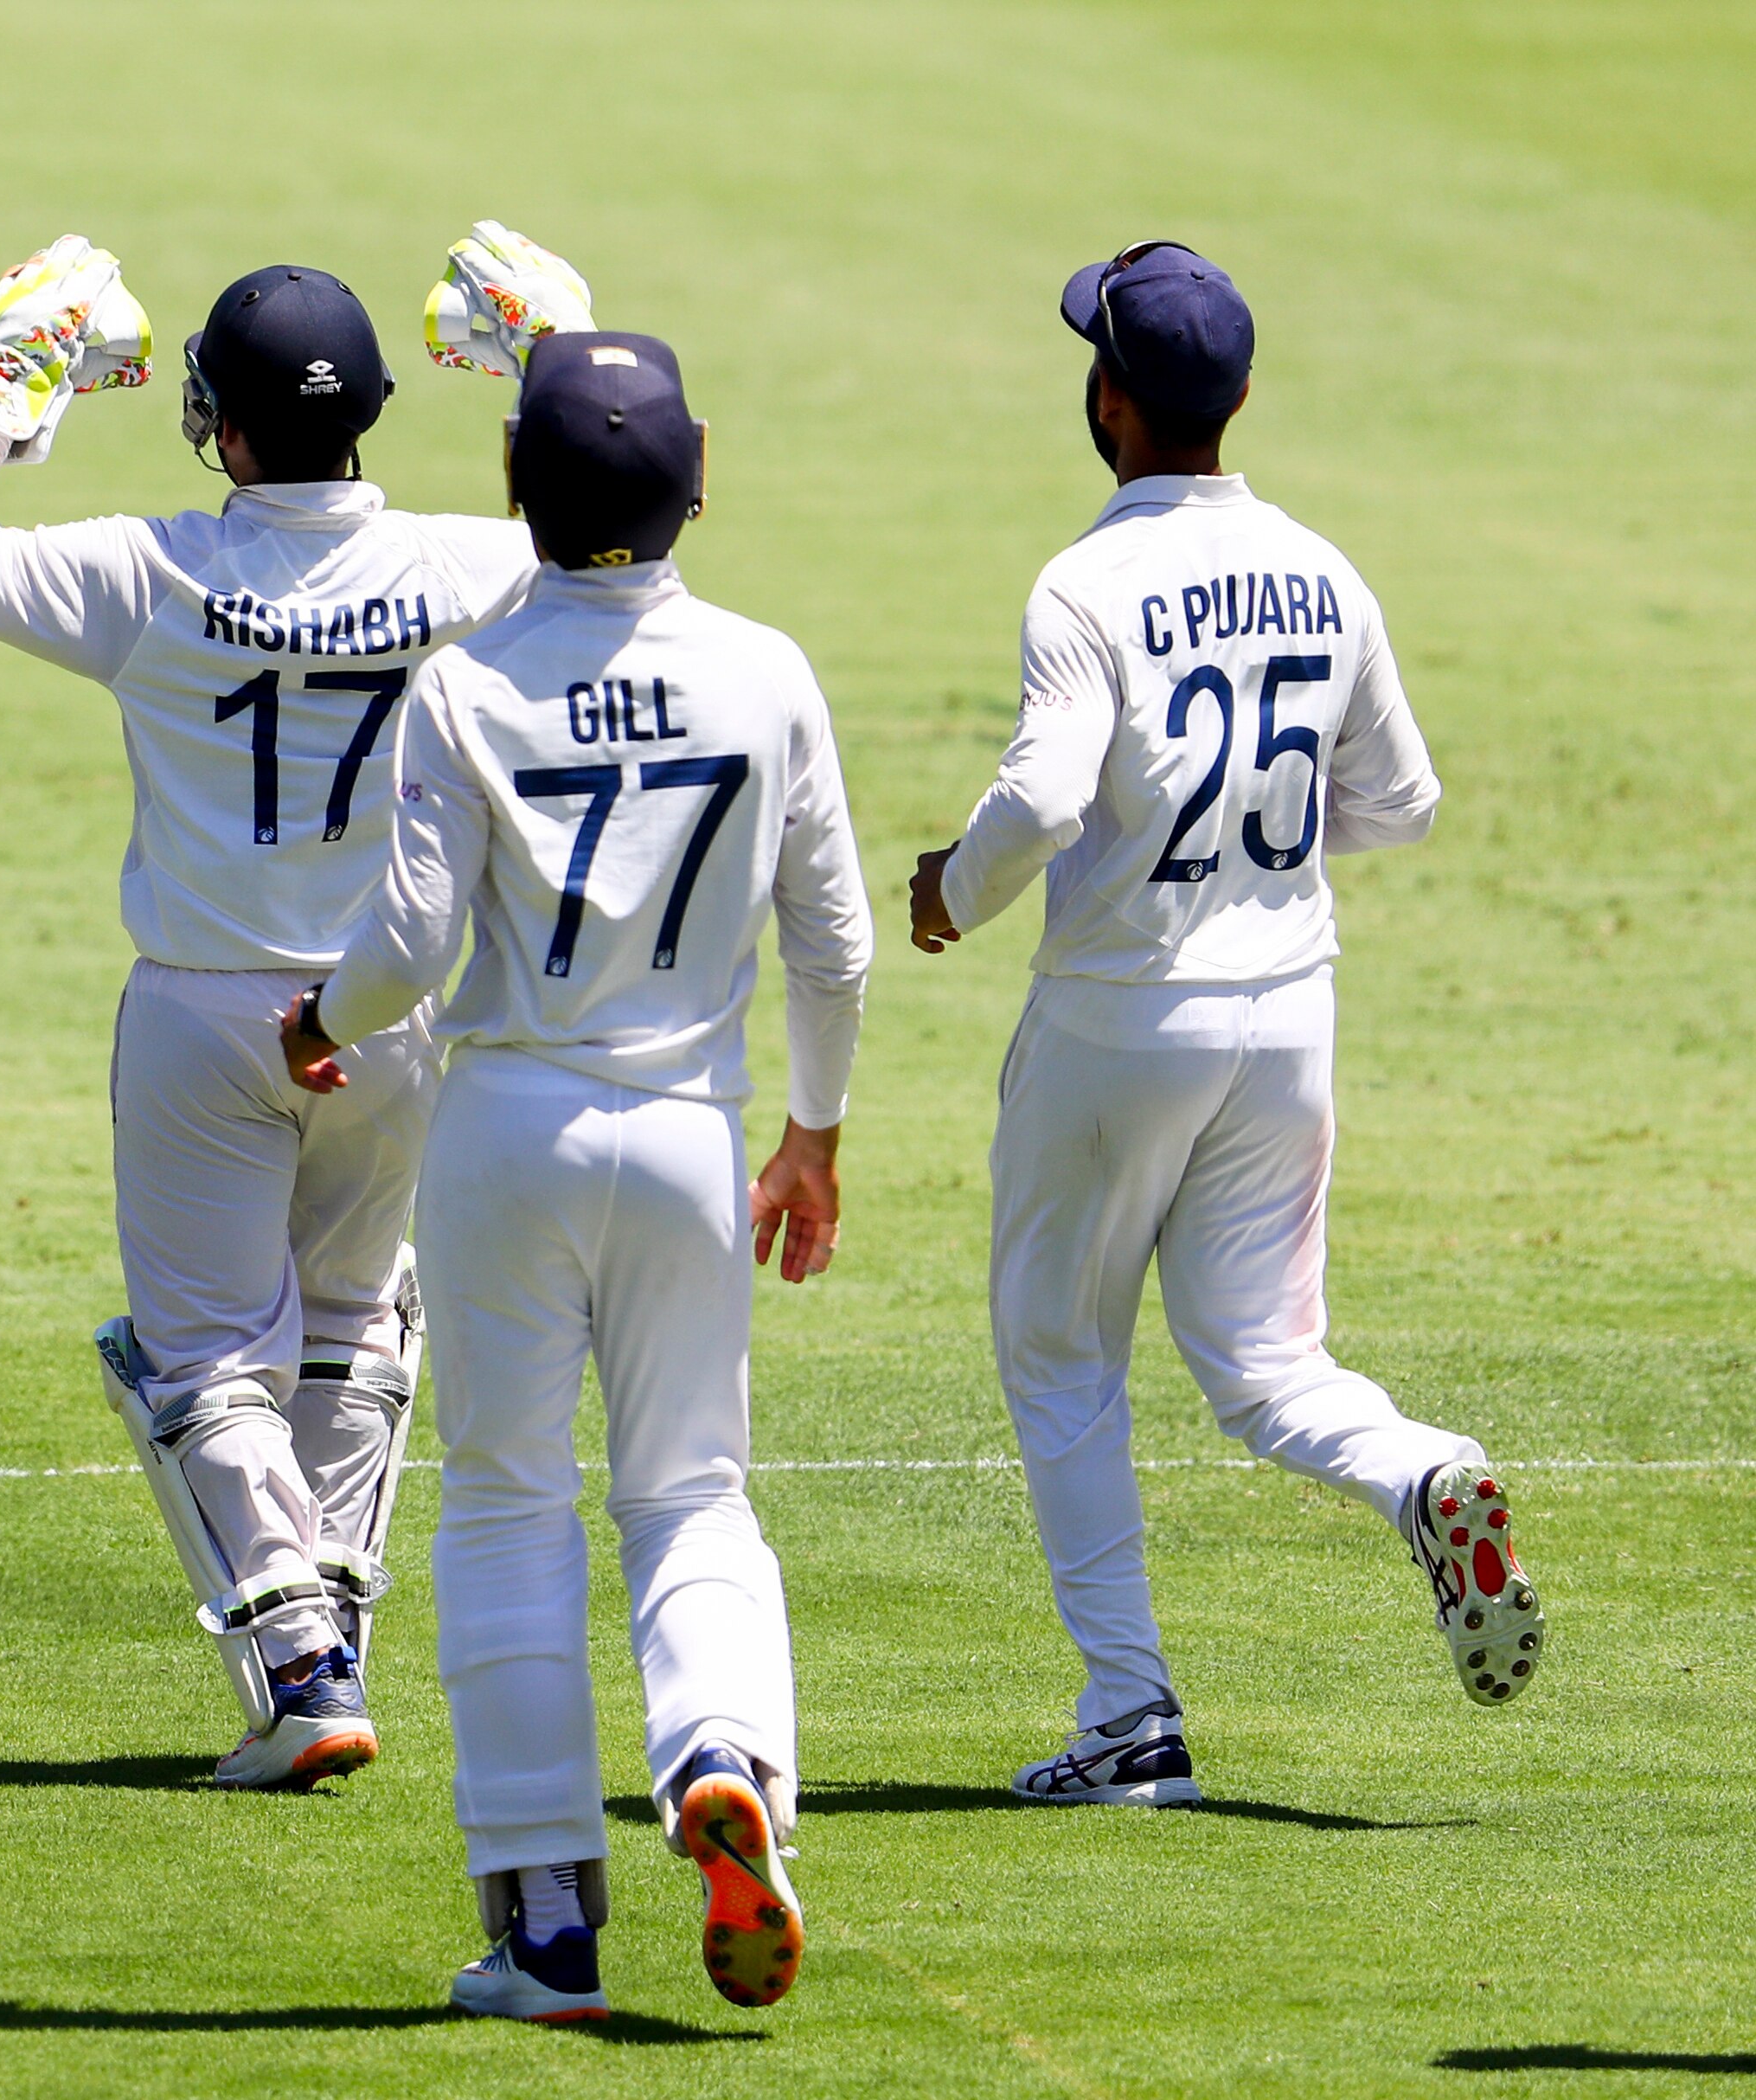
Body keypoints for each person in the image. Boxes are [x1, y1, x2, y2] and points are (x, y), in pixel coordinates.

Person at [0, 228, 593, 1787]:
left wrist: (8, 387)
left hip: (204, 1016)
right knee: (350, 1328)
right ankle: (332, 1635)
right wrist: (558, 357)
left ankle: (302, 1667)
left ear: (229, 427)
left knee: (201, 1363)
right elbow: (610, 523)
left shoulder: (149, 570)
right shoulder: (465, 570)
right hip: (392, 1009)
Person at [906, 242, 1544, 1805]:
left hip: (1120, 1022)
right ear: (1240, 396)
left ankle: (1131, 1721)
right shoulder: (1327, 569)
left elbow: (1047, 797)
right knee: (1266, 1362)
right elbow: (1401, 803)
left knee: (1061, 1363)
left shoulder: (1085, 580)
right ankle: (1422, 1473)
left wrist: (947, 890)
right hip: (1289, 1017)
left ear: (1109, 400)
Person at [284, 331, 872, 2019]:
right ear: (699, 482)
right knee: (692, 1492)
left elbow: (404, 946)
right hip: (691, 1131)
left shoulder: (463, 683)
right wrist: (813, 1134)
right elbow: (834, 944)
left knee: (511, 1505)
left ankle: (545, 1927)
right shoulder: (769, 669)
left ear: (517, 494)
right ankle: (724, 1757)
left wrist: (314, 1022)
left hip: (508, 1130)